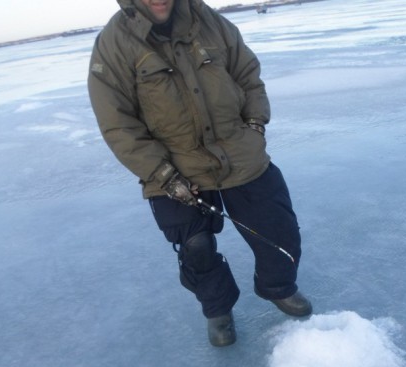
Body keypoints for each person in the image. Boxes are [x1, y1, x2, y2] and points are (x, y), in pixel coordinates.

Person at [87, 0, 312, 347]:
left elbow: (248, 74)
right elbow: (117, 124)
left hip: (237, 149)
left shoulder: (210, 22)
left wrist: (254, 123)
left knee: (279, 229)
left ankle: (278, 288)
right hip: (172, 166)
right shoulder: (114, 43)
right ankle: (218, 310)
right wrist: (163, 174)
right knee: (196, 247)